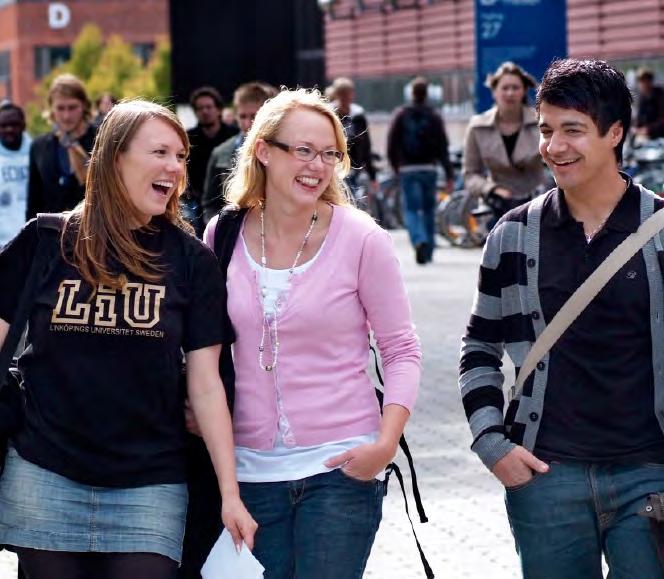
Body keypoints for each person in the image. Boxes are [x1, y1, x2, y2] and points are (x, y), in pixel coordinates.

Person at [0, 99, 256, 579]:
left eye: (181, 157)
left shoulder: (191, 261)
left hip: (150, 482)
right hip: (44, 473)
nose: (175, 168)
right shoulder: (46, 242)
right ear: (116, 157)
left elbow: (205, 385)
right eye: (160, 153)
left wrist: (229, 493)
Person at [203, 88, 421, 578]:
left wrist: (385, 445)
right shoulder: (223, 234)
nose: (317, 166)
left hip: (342, 469)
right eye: (303, 150)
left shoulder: (363, 238)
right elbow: (204, 351)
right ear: (263, 150)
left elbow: (401, 348)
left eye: (330, 154)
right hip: (250, 474)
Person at [459, 58, 664, 578]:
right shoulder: (511, 235)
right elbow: (479, 348)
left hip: (649, 477)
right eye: (545, 130)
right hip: (545, 477)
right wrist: (491, 443)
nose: (553, 146)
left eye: (573, 130)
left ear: (615, 132)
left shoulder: (660, 232)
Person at [463, 61, 546, 225]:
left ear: (523, 91)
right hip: (497, 206)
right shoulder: (477, 126)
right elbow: (470, 174)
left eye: (515, 88)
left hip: (538, 203)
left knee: (535, 249)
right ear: (494, 92)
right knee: (500, 249)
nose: (510, 93)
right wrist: (491, 190)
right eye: (505, 88)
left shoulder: (541, 121)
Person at [387, 76, 455, 264]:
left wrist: (396, 167)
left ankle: (419, 240)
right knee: (428, 209)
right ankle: (429, 250)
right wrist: (449, 174)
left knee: (411, 209)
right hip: (429, 169)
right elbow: (443, 146)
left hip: (408, 169)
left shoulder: (400, 115)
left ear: (412, 93)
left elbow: (392, 145)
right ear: (427, 94)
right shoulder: (434, 116)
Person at [26, 73, 97, 220]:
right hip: (52, 235)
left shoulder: (101, 139)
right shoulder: (39, 147)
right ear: (51, 109)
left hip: (94, 232)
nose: (66, 116)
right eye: (60, 108)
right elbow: (34, 201)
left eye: (72, 107)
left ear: (84, 106)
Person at [202, 82, 275, 224]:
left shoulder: (279, 151)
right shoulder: (220, 153)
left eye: (254, 116)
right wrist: (220, 229)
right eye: (242, 116)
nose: (247, 123)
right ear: (235, 116)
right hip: (231, 230)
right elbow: (210, 203)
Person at [185, 87, 238, 235]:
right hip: (197, 201)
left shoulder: (233, 137)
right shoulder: (189, 138)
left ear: (219, 109)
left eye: (209, 107)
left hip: (230, 198)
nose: (205, 111)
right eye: (200, 108)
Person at [331, 77, 377, 205]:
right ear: (337, 94)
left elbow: (366, 145)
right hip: (336, 165)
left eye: (349, 93)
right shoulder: (330, 114)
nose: (347, 97)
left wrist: (372, 174)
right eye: (343, 94)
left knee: (352, 200)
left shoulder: (358, 115)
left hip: (355, 165)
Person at [0, 102, 31, 248]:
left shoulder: (38, 152)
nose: (9, 129)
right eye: (3, 125)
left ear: (23, 125)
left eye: (14, 124)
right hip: (3, 244)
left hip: (35, 241)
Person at [634, 68, 664, 140]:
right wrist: (636, 128)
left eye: (644, 81)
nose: (642, 84)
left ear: (650, 81)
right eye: (640, 81)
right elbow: (639, 118)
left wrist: (648, 129)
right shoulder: (642, 98)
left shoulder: (660, 95)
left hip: (660, 135)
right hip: (646, 135)